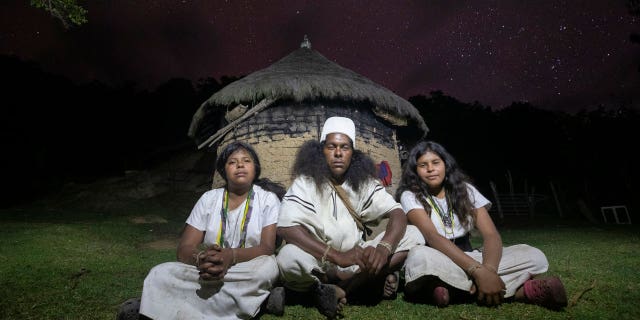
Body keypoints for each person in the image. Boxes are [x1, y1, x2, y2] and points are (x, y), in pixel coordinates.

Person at [274, 116, 424, 319]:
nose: (338, 153)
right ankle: (355, 282)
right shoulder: (305, 183)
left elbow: (397, 213)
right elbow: (286, 228)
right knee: (288, 257)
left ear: (352, 154)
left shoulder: (363, 183)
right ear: (321, 151)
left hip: (356, 261)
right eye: (331, 146)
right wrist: (336, 257)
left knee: (414, 234)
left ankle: (338, 289)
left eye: (344, 147)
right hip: (317, 260)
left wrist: (383, 248)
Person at [397, 140, 567, 310]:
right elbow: (432, 237)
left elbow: (491, 235)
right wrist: (477, 272)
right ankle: (524, 291)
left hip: (471, 256)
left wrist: (489, 271)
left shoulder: (465, 190)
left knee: (533, 255)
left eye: (436, 163)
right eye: (422, 165)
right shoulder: (410, 195)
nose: (430, 169)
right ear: (415, 171)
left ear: (446, 165)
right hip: (438, 255)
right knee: (419, 257)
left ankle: (449, 289)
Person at [135, 141, 286, 320]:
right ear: (223, 171)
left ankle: (180, 308)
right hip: (209, 269)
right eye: (232, 162)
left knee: (265, 269)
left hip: (247, 267)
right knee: (160, 273)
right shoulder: (209, 199)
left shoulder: (268, 200)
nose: (239, 165)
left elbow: (267, 248)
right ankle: (246, 303)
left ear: (255, 169)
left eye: (246, 161)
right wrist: (201, 260)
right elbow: (185, 246)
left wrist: (230, 256)